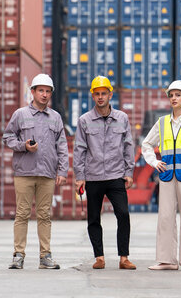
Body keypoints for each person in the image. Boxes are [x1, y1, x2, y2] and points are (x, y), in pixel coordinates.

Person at [2, 74, 69, 270]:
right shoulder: (20, 114)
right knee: (22, 214)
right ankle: (18, 255)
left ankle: (45, 256)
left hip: (47, 174)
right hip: (24, 172)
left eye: (48, 91)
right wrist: (24, 146)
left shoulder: (55, 117)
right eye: (41, 90)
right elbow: (7, 137)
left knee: (44, 215)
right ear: (32, 92)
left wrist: (62, 171)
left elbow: (62, 146)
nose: (44, 94)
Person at [73, 76, 136, 270]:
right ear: (93, 96)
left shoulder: (122, 118)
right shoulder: (84, 120)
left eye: (104, 93)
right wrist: (79, 176)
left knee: (123, 215)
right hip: (93, 177)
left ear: (110, 94)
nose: (100, 97)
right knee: (93, 218)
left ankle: (124, 257)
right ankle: (99, 257)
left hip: (116, 175)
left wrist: (129, 171)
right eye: (97, 94)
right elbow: (79, 149)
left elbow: (128, 146)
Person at [141, 80, 181, 271]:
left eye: (178, 95)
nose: (174, 98)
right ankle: (167, 260)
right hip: (167, 176)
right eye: (171, 95)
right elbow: (146, 145)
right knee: (165, 218)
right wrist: (154, 162)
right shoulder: (161, 122)